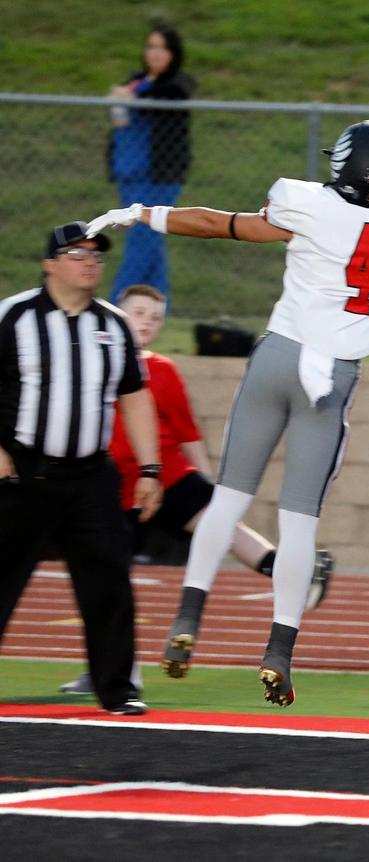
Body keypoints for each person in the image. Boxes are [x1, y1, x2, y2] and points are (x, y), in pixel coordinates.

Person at [86, 72, 369, 707]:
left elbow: (222, 224)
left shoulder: (304, 206)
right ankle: (279, 647)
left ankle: (188, 617)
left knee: (226, 498)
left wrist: (143, 213)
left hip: (278, 356)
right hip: (333, 375)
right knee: (298, 521)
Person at [56, 284, 335, 697]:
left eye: (155, 317)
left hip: (168, 478)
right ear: (117, 313)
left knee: (223, 527)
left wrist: (212, 486)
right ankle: (114, 670)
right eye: (139, 313)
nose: (147, 322)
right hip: (115, 490)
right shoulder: (93, 364)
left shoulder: (163, 370)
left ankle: (291, 568)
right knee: (105, 581)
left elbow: (187, 434)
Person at [0, 222, 162, 716]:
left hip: (90, 474)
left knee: (108, 579)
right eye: (76, 253)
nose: (89, 262)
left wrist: (151, 469)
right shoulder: (13, 317)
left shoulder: (113, 325)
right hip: (22, 475)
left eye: (96, 254)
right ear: (50, 264)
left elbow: (134, 395)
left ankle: (116, 689)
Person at [106, 25, 195, 302]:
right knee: (152, 246)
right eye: (151, 46)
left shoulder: (177, 84)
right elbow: (120, 116)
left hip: (158, 176)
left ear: (173, 53)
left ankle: (114, 309)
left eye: (162, 47)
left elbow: (168, 98)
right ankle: (159, 310)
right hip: (128, 172)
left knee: (142, 242)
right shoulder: (136, 80)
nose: (155, 53)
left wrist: (131, 98)